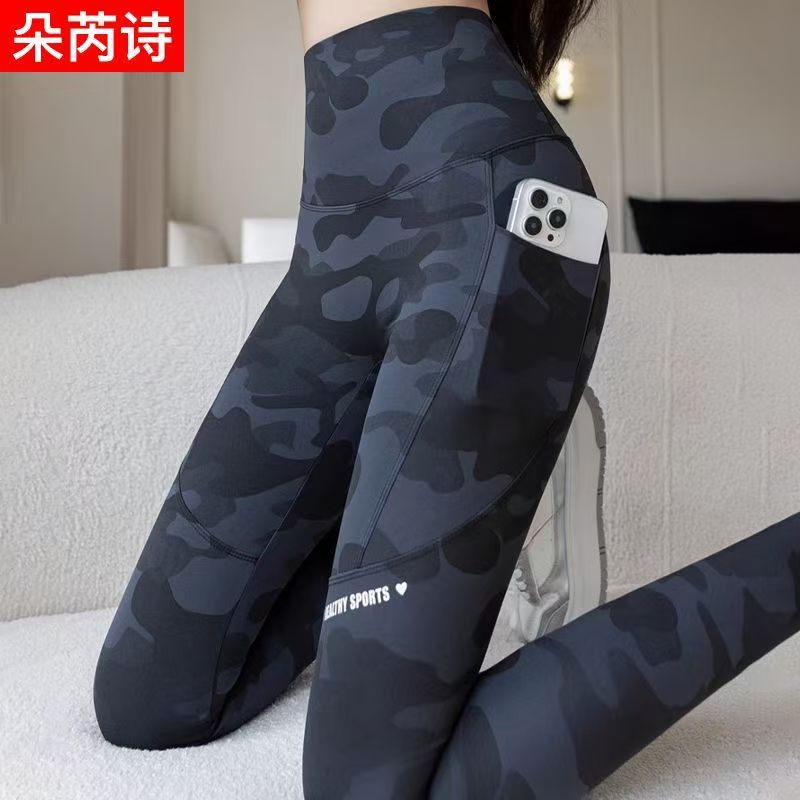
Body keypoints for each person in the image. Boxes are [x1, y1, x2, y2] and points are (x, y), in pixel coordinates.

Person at [94, 3, 800, 798]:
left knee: (364, 788)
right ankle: (461, 489)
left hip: (485, 207)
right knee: (146, 700)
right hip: (333, 237)